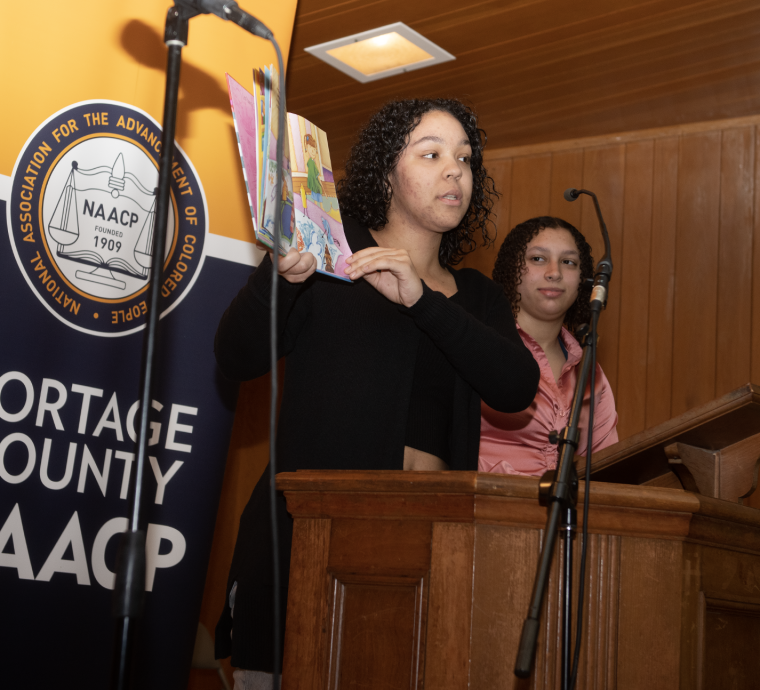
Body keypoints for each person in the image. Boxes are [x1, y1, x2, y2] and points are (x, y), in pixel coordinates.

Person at [213, 99, 540, 687]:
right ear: (387, 172)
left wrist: (422, 299)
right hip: (307, 538)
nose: (455, 171)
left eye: (465, 158)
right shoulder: (331, 257)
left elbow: (516, 386)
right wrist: (279, 277)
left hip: (423, 551)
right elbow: (234, 358)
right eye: (432, 153)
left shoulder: (476, 295)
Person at [479, 216, 619, 476]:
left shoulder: (590, 373)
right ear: (512, 269)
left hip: (565, 514)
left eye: (568, 262)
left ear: (583, 280)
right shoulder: (479, 345)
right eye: (538, 259)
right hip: (482, 506)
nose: (554, 272)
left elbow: (606, 468)